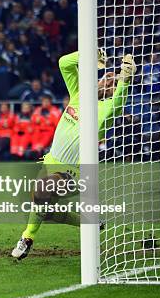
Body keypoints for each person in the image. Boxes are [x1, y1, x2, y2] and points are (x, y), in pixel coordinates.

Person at [11, 50, 136, 260]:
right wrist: (87, 55)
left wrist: (125, 78)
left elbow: (119, 100)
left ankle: (27, 238)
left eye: (112, 85)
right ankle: (92, 222)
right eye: (107, 79)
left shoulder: (107, 109)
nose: (108, 84)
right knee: (43, 209)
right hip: (51, 161)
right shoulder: (80, 94)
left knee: (41, 192)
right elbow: (63, 63)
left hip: (74, 171)